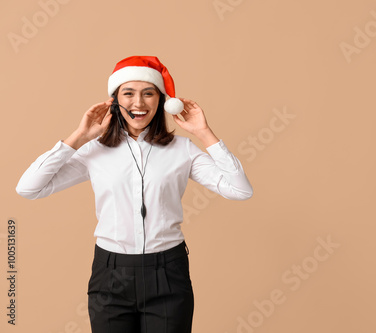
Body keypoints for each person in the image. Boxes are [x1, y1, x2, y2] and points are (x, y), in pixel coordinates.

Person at [16, 55, 253, 333]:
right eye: (128, 93)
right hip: (110, 276)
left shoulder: (183, 150)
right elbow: (29, 188)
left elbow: (240, 190)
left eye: (148, 93)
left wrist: (204, 133)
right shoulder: (94, 151)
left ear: (161, 101)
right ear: (115, 101)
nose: (138, 103)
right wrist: (79, 137)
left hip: (168, 273)